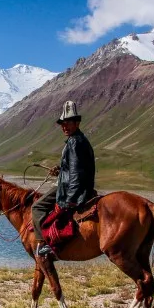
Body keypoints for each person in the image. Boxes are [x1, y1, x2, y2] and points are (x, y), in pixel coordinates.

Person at [32, 100, 96, 257]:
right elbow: (76, 167)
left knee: (37, 207)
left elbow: (75, 174)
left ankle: (45, 244)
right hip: (81, 186)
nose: (64, 127)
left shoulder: (74, 142)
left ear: (77, 123)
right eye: (62, 124)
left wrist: (70, 200)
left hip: (70, 189)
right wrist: (61, 170)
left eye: (68, 123)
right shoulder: (80, 139)